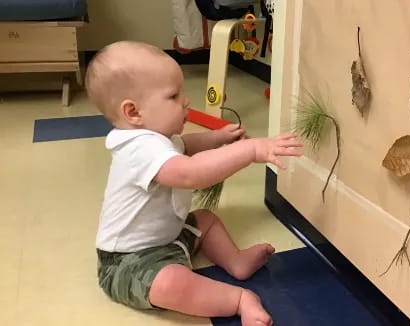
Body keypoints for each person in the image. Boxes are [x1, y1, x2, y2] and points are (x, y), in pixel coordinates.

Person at [85, 40, 303, 326]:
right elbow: (190, 174)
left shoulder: (157, 137)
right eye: (173, 96)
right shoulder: (137, 148)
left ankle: (235, 261)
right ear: (133, 112)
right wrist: (249, 151)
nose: (186, 100)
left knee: (205, 220)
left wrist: (215, 139)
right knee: (169, 284)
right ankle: (238, 300)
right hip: (128, 261)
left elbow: (183, 146)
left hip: (168, 237)